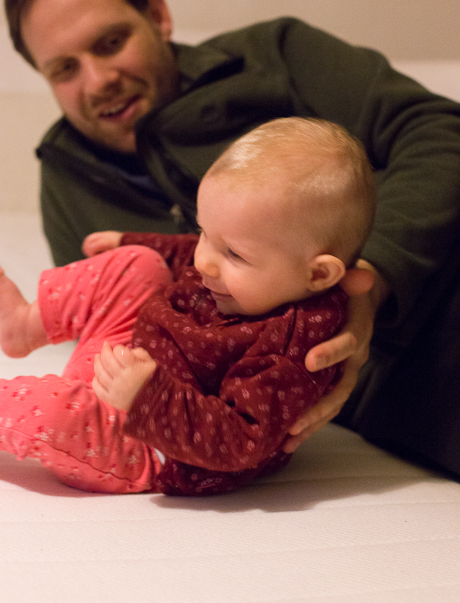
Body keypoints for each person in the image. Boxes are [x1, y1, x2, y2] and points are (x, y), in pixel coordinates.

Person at [4, 0, 460, 478]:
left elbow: (439, 132)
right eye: (64, 69)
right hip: (310, 402)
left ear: (157, 14)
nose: (99, 81)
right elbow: (108, 331)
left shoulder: (277, 56)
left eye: (110, 43)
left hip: (437, 314)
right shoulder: (67, 177)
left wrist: (373, 281)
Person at [0, 118, 375, 495]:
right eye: (203, 233)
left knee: (52, 411)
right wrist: (129, 241)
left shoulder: (291, 352)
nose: (204, 262)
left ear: (318, 274)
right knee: (140, 262)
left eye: (235, 254)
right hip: (126, 360)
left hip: (151, 441)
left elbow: (239, 441)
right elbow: (184, 251)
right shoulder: (238, 273)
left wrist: (145, 396)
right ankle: (23, 325)